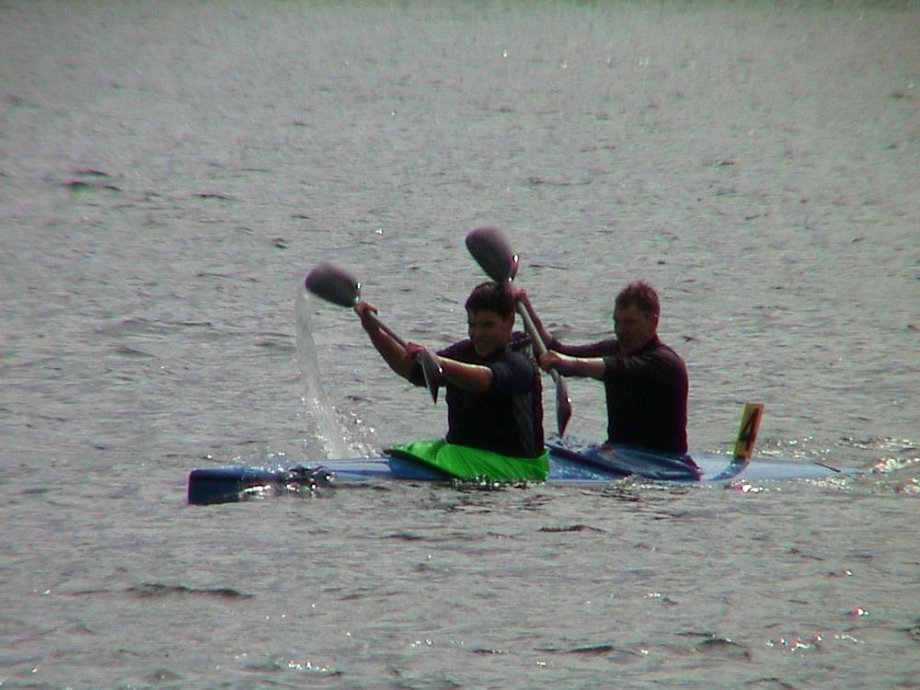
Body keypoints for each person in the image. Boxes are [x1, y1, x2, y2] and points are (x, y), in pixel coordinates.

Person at [354, 281, 547, 480]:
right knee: (398, 453)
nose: (478, 334)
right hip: (462, 455)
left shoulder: (520, 362)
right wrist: (373, 330)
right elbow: (411, 370)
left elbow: (485, 380)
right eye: (472, 325)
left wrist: (440, 363)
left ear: (509, 321)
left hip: (516, 466)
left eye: (488, 325)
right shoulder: (464, 351)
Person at [517, 280, 688, 455]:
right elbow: (554, 350)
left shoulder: (666, 364)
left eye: (629, 323)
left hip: (665, 462)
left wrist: (568, 363)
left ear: (653, 322)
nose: (620, 330)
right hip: (619, 453)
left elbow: (615, 368)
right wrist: (525, 309)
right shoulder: (614, 349)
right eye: (617, 322)